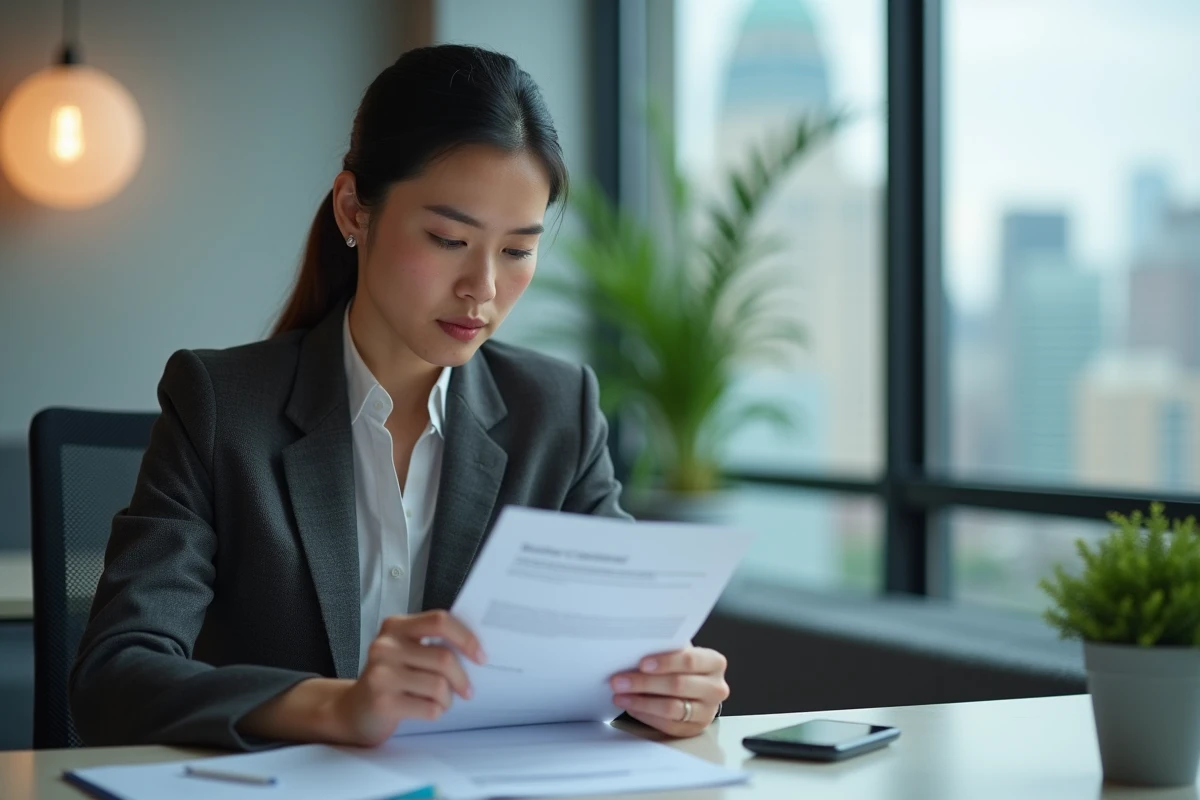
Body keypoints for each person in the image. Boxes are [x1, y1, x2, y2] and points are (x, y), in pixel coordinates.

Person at [69, 44, 730, 751]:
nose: (482, 287)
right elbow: (115, 676)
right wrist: (339, 708)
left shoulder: (557, 413)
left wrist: (669, 694)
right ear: (354, 210)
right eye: (449, 239)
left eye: (517, 251)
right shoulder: (221, 406)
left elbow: (616, 653)